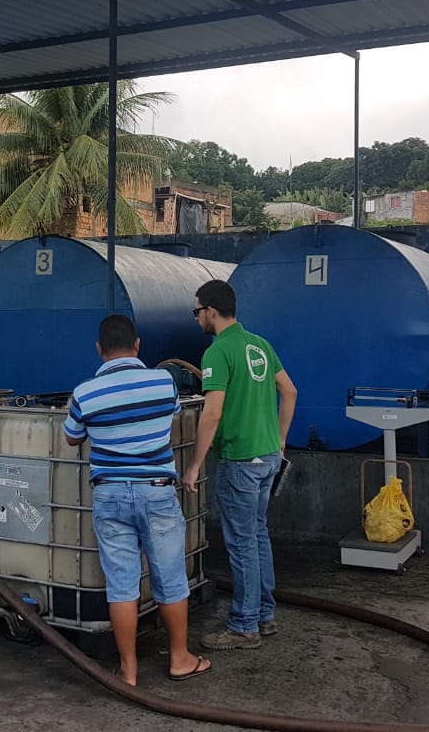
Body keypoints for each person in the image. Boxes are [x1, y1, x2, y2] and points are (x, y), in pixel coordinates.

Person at [65, 314, 212, 686]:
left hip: (110, 495)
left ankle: (128, 671)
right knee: (170, 578)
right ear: (138, 345)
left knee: (121, 586)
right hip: (157, 491)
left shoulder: (84, 393)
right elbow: (172, 414)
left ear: (99, 350)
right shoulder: (163, 382)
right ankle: (179, 659)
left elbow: (72, 438)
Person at [182, 279, 297, 651]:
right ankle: (263, 614)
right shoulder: (259, 344)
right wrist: (280, 439)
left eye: (197, 311)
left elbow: (212, 414)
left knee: (243, 543)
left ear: (211, 311)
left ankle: (244, 626)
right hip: (267, 456)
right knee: (257, 535)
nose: (196, 318)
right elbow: (290, 392)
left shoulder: (218, 352)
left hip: (241, 461)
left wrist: (195, 464)